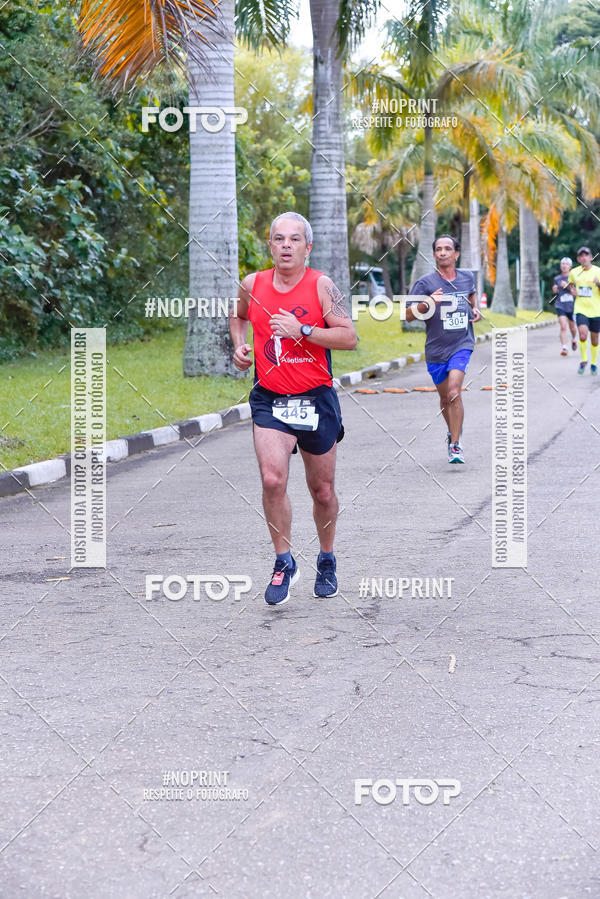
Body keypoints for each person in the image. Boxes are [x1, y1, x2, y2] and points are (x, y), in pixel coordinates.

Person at [230, 212, 357, 607]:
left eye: (294, 240)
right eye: (279, 239)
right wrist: (239, 347)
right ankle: (283, 561)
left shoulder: (322, 286)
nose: (286, 245)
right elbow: (237, 317)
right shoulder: (252, 284)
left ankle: (326, 557)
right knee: (272, 480)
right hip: (270, 399)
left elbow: (348, 337)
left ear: (307, 247)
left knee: (322, 490)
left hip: (316, 399)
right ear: (270, 245)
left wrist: (302, 330)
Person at [406, 234, 482, 464]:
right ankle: (452, 433)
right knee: (444, 398)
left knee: (453, 392)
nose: (442, 252)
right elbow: (408, 315)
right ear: (434, 254)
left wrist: (475, 310)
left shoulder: (467, 278)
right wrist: (428, 302)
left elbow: (471, 297)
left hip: (462, 344)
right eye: (438, 249)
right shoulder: (425, 283)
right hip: (436, 349)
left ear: (456, 253)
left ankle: (456, 445)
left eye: (447, 248)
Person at [568, 246, 600, 375]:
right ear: (578, 259)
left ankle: (593, 363)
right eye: (581, 256)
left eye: (586, 255)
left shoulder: (598, 271)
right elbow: (570, 284)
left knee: (595, 340)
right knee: (582, 335)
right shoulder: (574, 272)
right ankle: (584, 360)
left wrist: (598, 284)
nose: (584, 257)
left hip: (596, 310)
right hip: (580, 309)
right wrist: (572, 290)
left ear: (590, 257)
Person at [552, 257, 577, 355]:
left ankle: (574, 338)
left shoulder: (574, 278)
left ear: (570, 267)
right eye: (563, 264)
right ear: (560, 266)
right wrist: (555, 290)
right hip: (560, 305)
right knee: (563, 326)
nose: (564, 266)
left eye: (566, 264)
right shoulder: (557, 278)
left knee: (572, 328)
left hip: (571, 306)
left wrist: (567, 285)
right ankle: (564, 348)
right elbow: (556, 291)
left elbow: (575, 293)